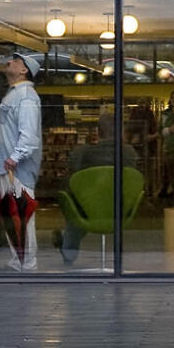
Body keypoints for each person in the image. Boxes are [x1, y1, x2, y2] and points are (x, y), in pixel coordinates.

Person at [0, 51, 43, 271]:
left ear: (24, 70)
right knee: (14, 214)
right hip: (8, 165)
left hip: (14, 168)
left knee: (21, 214)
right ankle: (20, 261)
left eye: (16, 61)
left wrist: (14, 157)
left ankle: (26, 263)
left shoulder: (25, 96)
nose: (10, 62)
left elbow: (29, 135)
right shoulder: (15, 94)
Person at [56, 112, 138, 265]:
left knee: (73, 203)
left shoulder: (80, 153)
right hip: (119, 211)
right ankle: (117, 262)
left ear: (97, 132)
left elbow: (70, 181)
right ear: (121, 131)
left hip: (88, 211)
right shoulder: (129, 153)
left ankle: (69, 251)